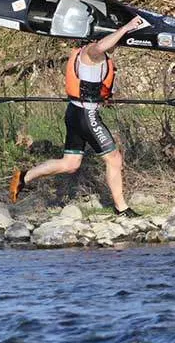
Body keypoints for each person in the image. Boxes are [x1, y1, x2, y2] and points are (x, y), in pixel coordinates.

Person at [9, 14, 148, 217]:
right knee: (114, 159)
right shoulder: (93, 51)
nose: (116, 44)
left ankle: (23, 177)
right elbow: (101, 47)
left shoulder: (87, 54)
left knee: (70, 164)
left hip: (75, 112)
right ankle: (122, 208)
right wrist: (126, 27)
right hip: (86, 115)